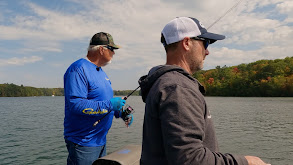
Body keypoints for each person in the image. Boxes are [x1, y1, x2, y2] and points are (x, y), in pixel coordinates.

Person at [138, 17, 270, 165]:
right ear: (186, 43)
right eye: (205, 43)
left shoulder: (167, 83)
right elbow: (190, 159)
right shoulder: (178, 88)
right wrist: (246, 162)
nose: (207, 52)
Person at [63, 32, 133, 165]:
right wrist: (110, 105)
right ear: (101, 49)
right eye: (112, 49)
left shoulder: (101, 73)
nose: (114, 53)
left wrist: (121, 112)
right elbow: (76, 104)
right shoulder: (78, 69)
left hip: (100, 140)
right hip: (83, 143)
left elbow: (104, 101)